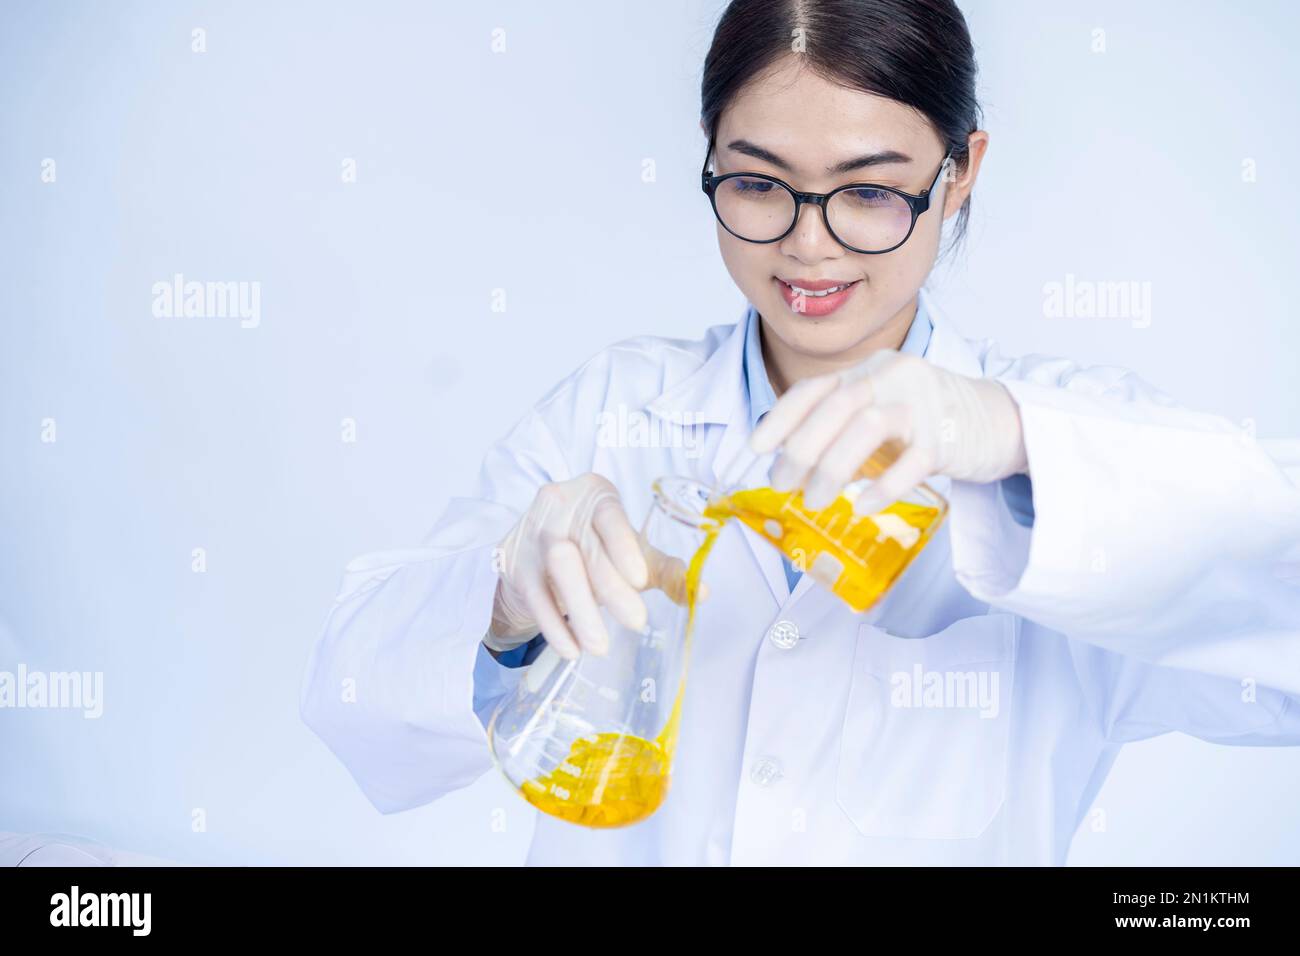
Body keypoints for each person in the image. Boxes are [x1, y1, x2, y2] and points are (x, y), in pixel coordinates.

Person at [300, 0, 1300, 865]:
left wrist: (1011, 441)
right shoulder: (615, 411)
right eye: (757, 182)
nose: (807, 243)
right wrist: (504, 596)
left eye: (869, 190)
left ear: (959, 174)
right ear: (709, 158)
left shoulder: (1075, 443)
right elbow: (354, 694)